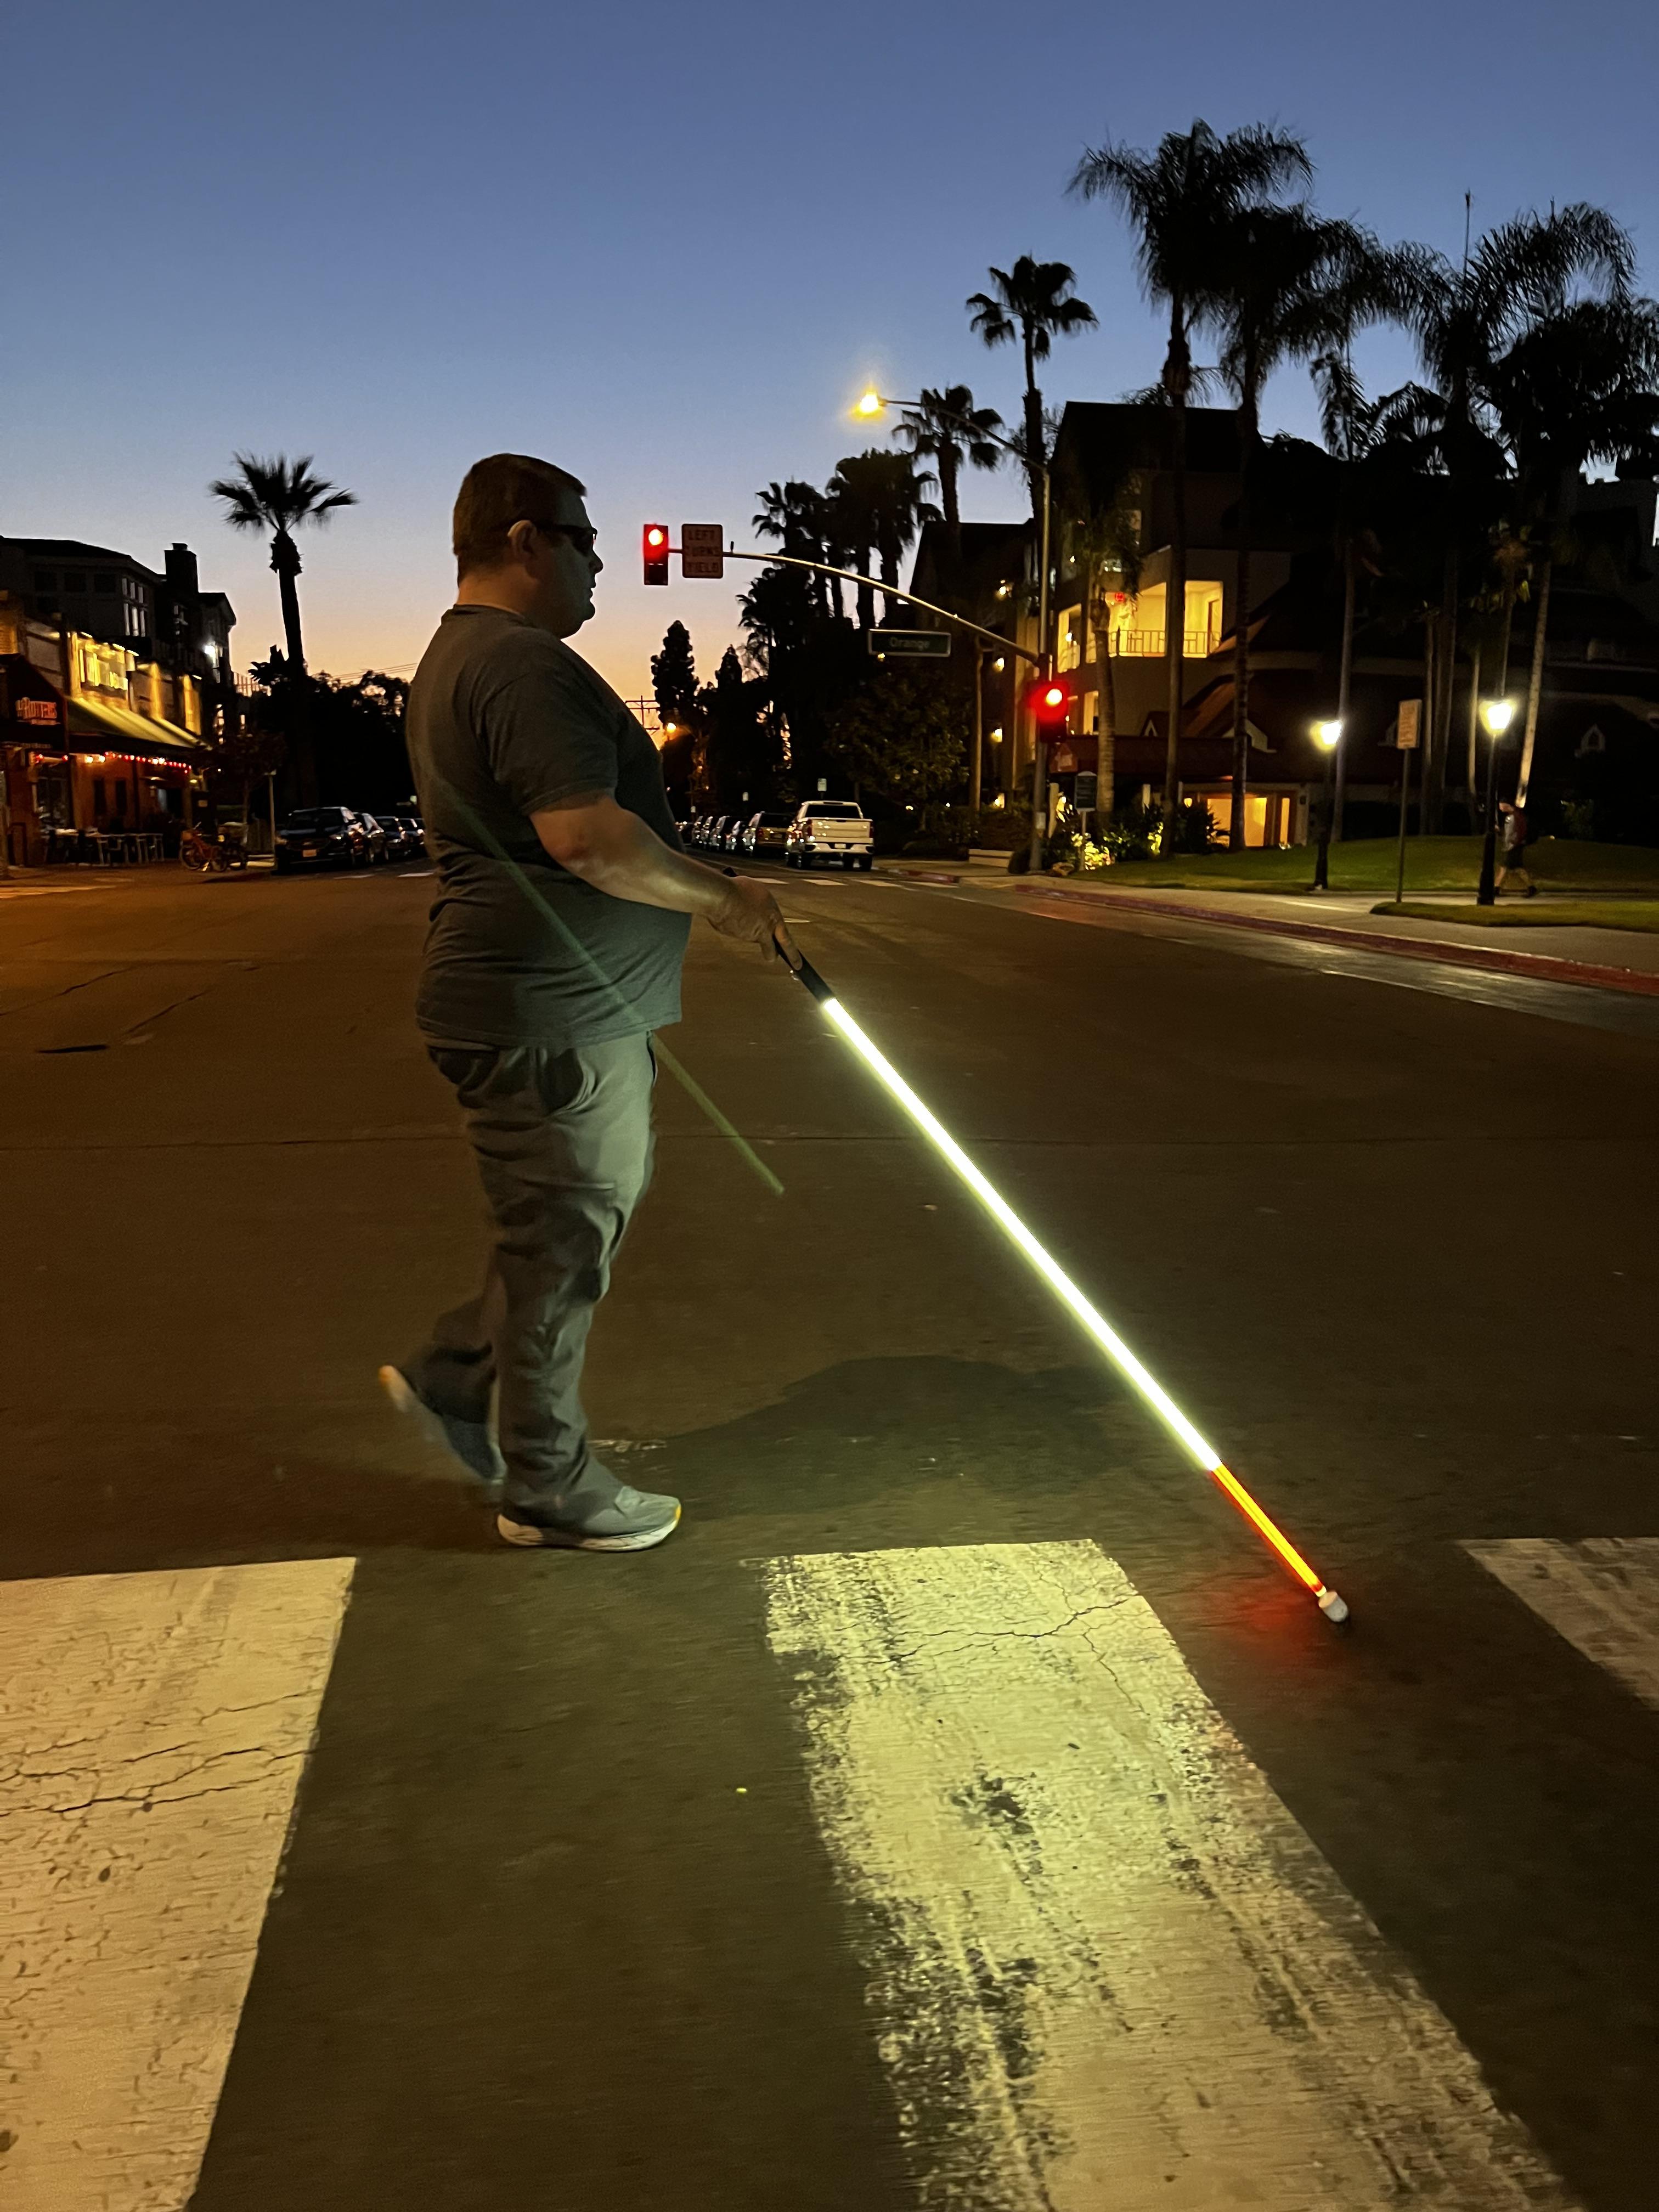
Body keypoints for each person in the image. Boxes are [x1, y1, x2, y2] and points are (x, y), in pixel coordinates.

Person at [381, 453, 796, 1551]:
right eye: (582, 536)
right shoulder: (519, 667)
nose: (601, 556)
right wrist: (727, 900)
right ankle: (548, 1485)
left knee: (556, 1226)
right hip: (548, 1016)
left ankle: (457, 1380)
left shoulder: (465, 658)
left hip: (554, 1009)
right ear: (524, 542)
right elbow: (588, 839)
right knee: (566, 1240)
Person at [1496, 799, 1537, 897]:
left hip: (1514, 847)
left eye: (1501, 806)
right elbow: (1510, 833)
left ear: (1506, 805)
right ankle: (1531, 888)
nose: (1500, 808)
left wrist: (1513, 843)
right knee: (1512, 868)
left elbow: (1514, 833)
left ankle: (1496, 889)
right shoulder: (1515, 816)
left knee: (1508, 867)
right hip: (1514, 846)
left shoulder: (1514, 817)